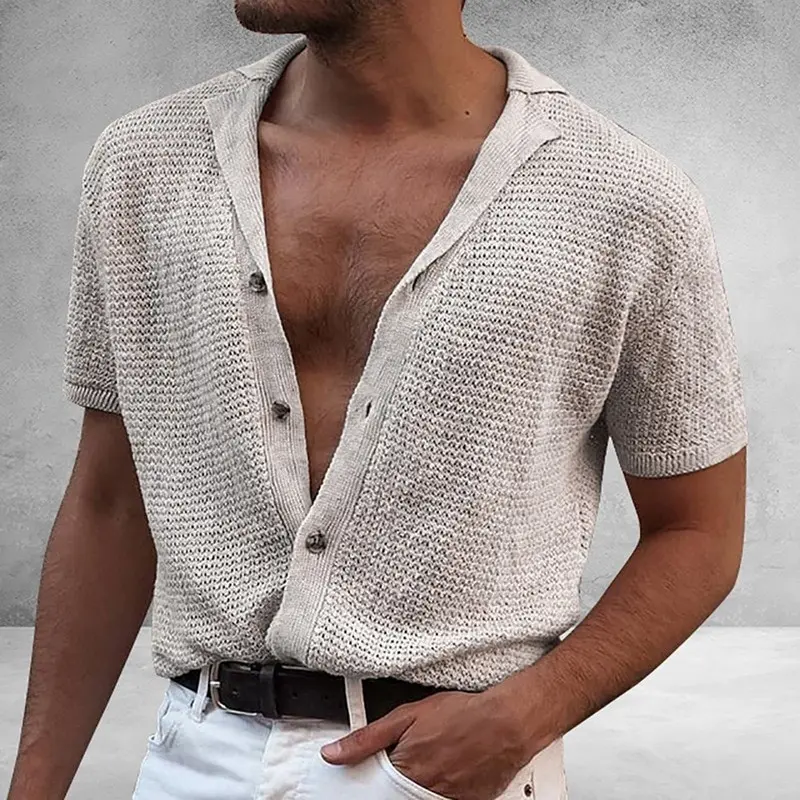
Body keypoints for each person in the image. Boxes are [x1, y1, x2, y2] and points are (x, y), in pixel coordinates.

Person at [9, 0, 748, 798]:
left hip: (450, 769)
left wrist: (529, 714)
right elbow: (110, 505)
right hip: (196, 757)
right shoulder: (146, 165)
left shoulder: (626, 201)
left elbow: (698, 531)